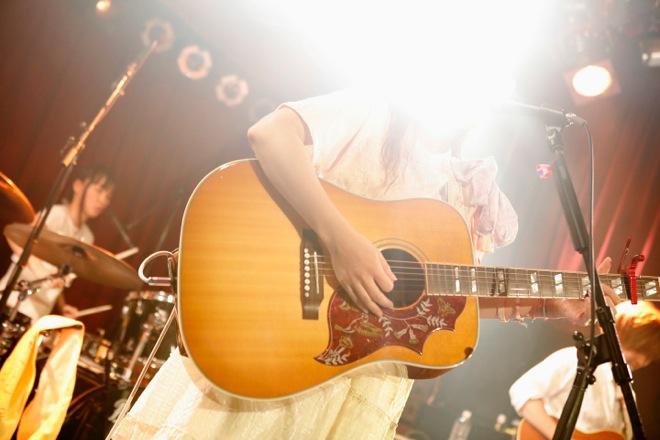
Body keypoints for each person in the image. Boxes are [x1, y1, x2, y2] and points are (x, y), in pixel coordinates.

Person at [111, 88, 619, 439]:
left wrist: (547, 304)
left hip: (364, 384)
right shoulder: (374, 114)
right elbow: (270, 134)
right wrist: (341, 241)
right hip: (277, 347)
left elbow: (442, 299)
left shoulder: (468, 188)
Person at [509, 301, 660, 440]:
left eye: (650, 356)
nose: (643, 361)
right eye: (641, 349)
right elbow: (522, 391)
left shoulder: (627, 393)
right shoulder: (575, 360)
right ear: (620, 333)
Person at [0, 163, 115, 323]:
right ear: (78, 186)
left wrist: (62, 307)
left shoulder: (87, 236)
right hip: (12, 303)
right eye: (99, 191)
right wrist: (39, 270)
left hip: (37, 317)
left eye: (108, 196)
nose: (103, 201)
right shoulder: (57, 214)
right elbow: (14, 237)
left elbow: (58, 275)